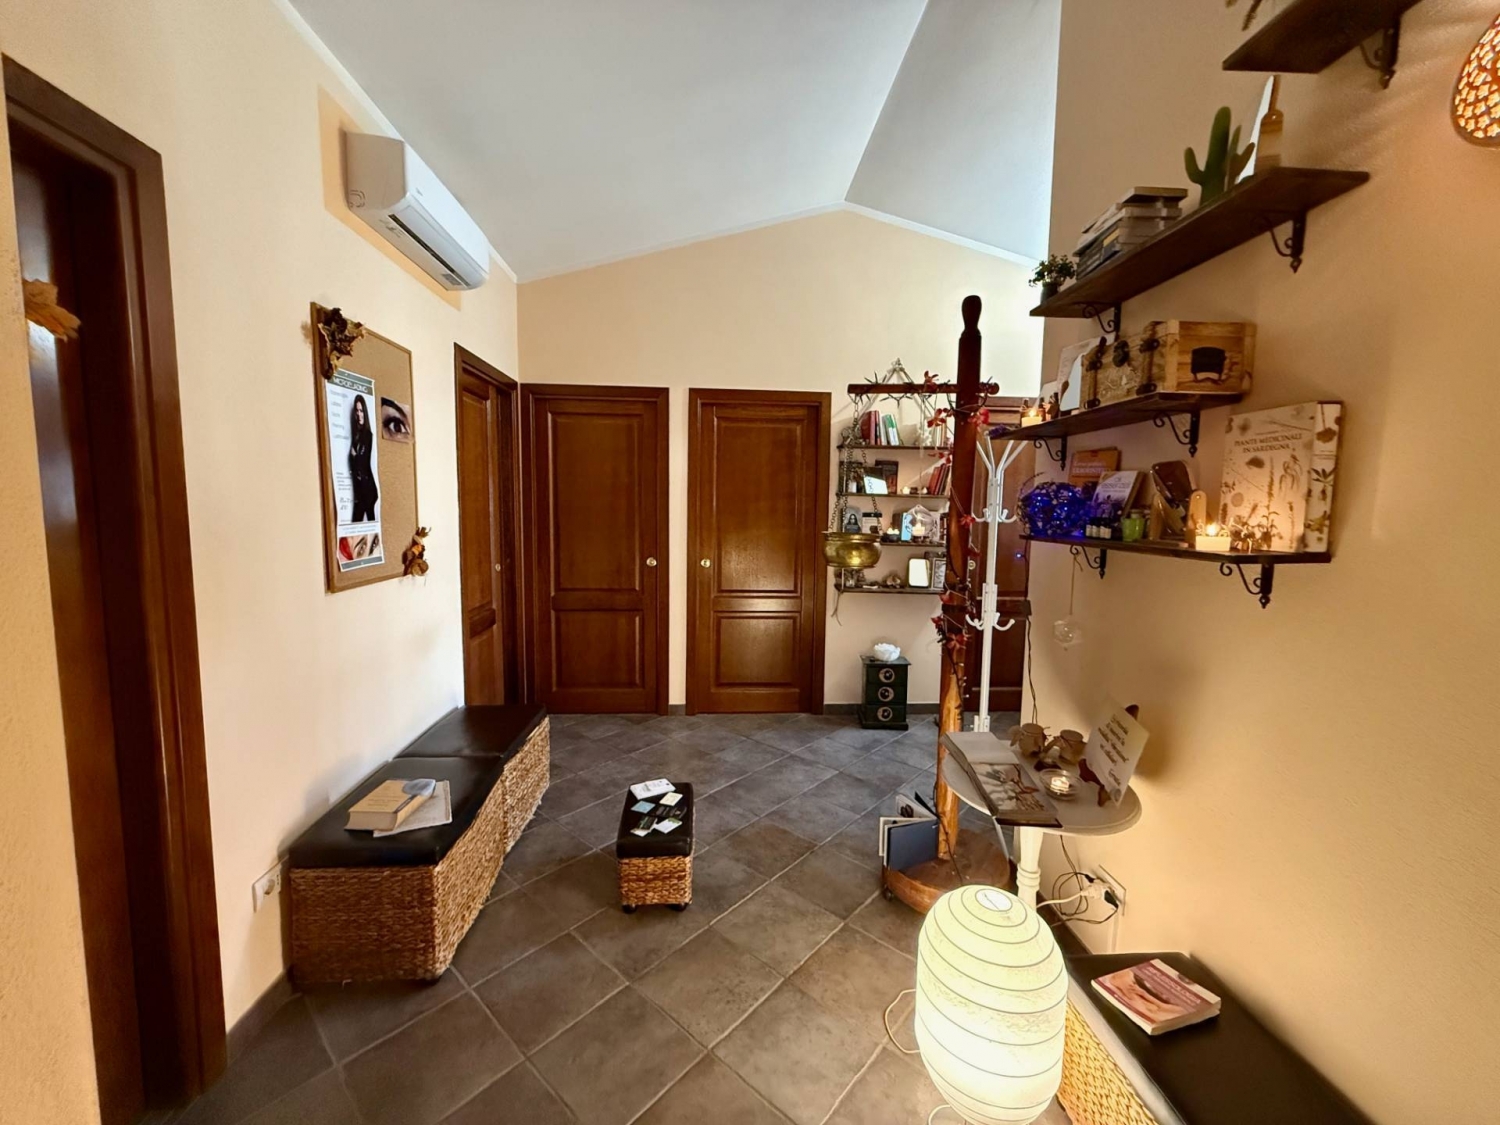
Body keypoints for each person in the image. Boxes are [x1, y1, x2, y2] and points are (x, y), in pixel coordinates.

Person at [348, 394, 379, 522]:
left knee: (367, 523)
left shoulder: (367, 435)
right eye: (357, 410)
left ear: (365, 412)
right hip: (361, 490)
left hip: (368, 489)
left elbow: (362, 461)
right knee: (359, 523)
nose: (359, 414)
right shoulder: (356, 435)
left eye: (361, 410)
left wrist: (355, 455)